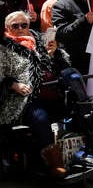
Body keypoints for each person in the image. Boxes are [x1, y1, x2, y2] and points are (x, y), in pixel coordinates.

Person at [1, 15, 71, 177]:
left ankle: (82, 147)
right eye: (15, 26)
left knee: (75, 106)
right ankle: (54, 162)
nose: (20, 29)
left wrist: (54, 53)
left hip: (52, 90)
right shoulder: (4, 47)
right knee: (40, 117)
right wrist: (13, 84)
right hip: (23, 99)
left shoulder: (40, 40)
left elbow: (65, 61)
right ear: (7, 28)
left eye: (23, 25)